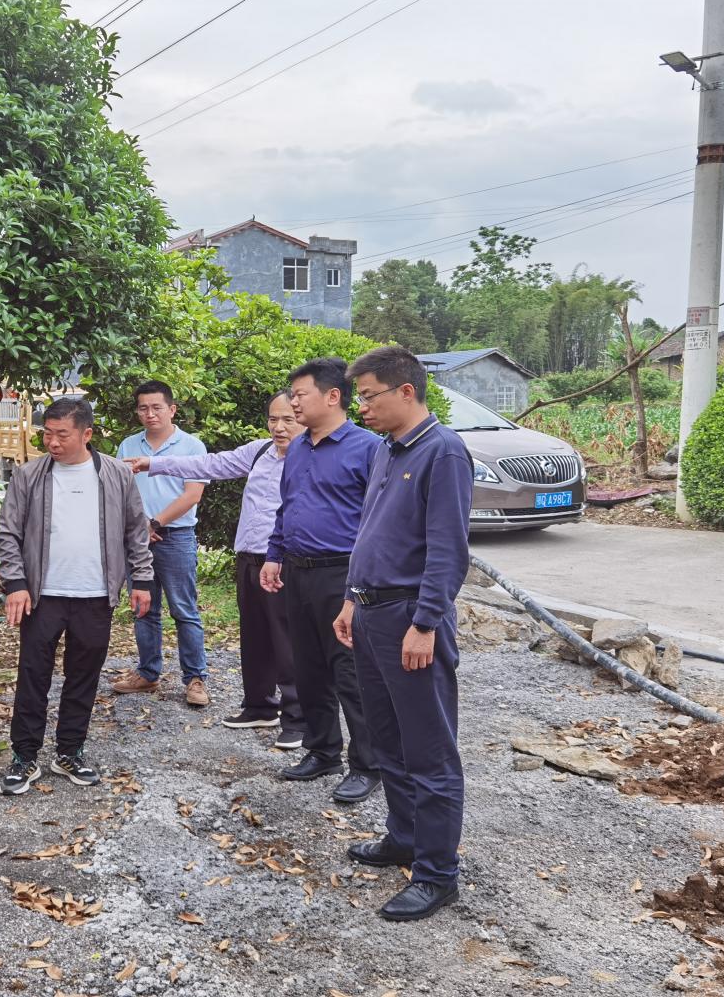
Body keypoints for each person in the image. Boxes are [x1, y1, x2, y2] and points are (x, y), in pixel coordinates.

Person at [334, 345, 473, 922]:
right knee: (387, 739)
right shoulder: (389, 452)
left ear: (406, 391)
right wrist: (349, 600)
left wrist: (425, 624)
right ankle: (403, 837)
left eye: (369, 395)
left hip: (409, 619)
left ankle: (438, 873)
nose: (361, 406)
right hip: (370, 615)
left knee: (429, 751)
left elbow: (448, 550)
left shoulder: (443, 452)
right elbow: (370, 530)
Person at [123, 390, 306, 746]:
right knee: (255, 637)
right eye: (273, 419)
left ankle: (297, 716)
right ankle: (259, 705)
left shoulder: (313, 457)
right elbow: (208, 465)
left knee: (287, 641)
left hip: (284, 559)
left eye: (289, 419)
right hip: (249, 556)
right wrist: (153, 464)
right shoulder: (260, 450)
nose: (279, 427)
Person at [0, 398, 154, 795]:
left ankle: (70, 751)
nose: (52, 442)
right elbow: (8, 534)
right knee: (33, 676)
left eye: (61, 434)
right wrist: (15, 583)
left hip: (95, 594)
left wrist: (143, 579)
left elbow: (137, 530)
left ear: (86, 434)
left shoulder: (116, 474)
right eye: (47, 433)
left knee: (83, 677)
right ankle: (24, 757)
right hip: (42, 596)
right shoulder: (29, 475)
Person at [260, 357, 381, 805]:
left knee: (350, 671)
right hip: (298, 571)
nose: (292, 403)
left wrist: (359, 585)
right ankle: (322, 750)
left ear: (333, 396)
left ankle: (367, 764)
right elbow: (286, 507)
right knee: (307, 668)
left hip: (343, 574)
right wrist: (275, 555)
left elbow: (377, 521)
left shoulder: (367, 448)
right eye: (291, 395)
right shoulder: (298, 448)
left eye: (300, 394)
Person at [111, 380, 211, 707]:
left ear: (172, 409)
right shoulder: (128, 446)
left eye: (157, 407)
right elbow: (120, 493)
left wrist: (156, 522)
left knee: (184, 610)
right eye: (143, 408)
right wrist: (139, 526)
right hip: (138, 540)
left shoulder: (192, 446)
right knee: (144, 609)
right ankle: (148, 673)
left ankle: (195, 678)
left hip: (176, 537)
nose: (150, 414)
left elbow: (192, 495)